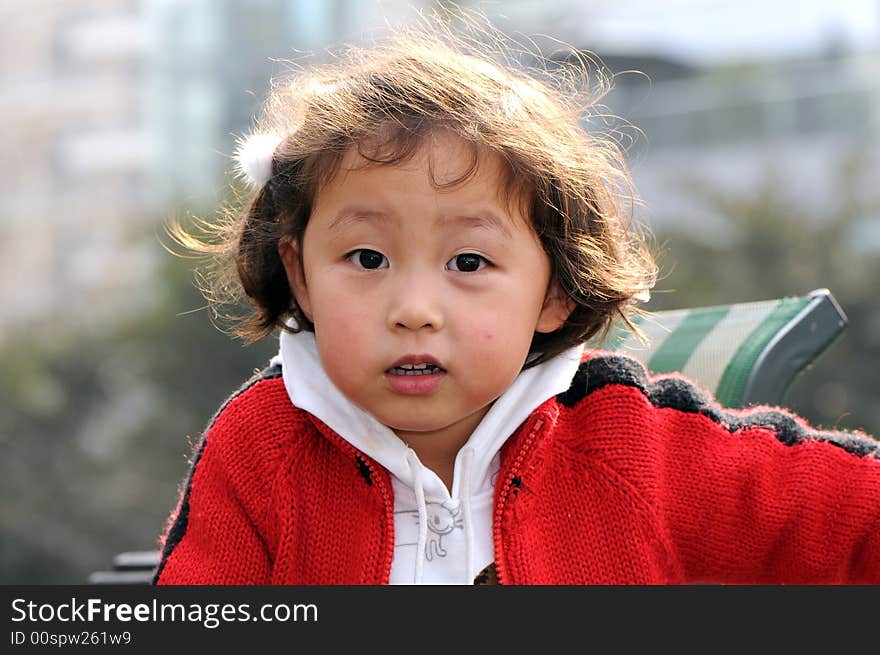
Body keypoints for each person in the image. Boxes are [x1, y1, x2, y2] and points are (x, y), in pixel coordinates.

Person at [153, 17, 880, 585]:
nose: (413, 308)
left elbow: (853, 520)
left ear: (555, 290)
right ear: (302, 276)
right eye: (366, 258)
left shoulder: (634, 449)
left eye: (468, 261)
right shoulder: (263, 447)